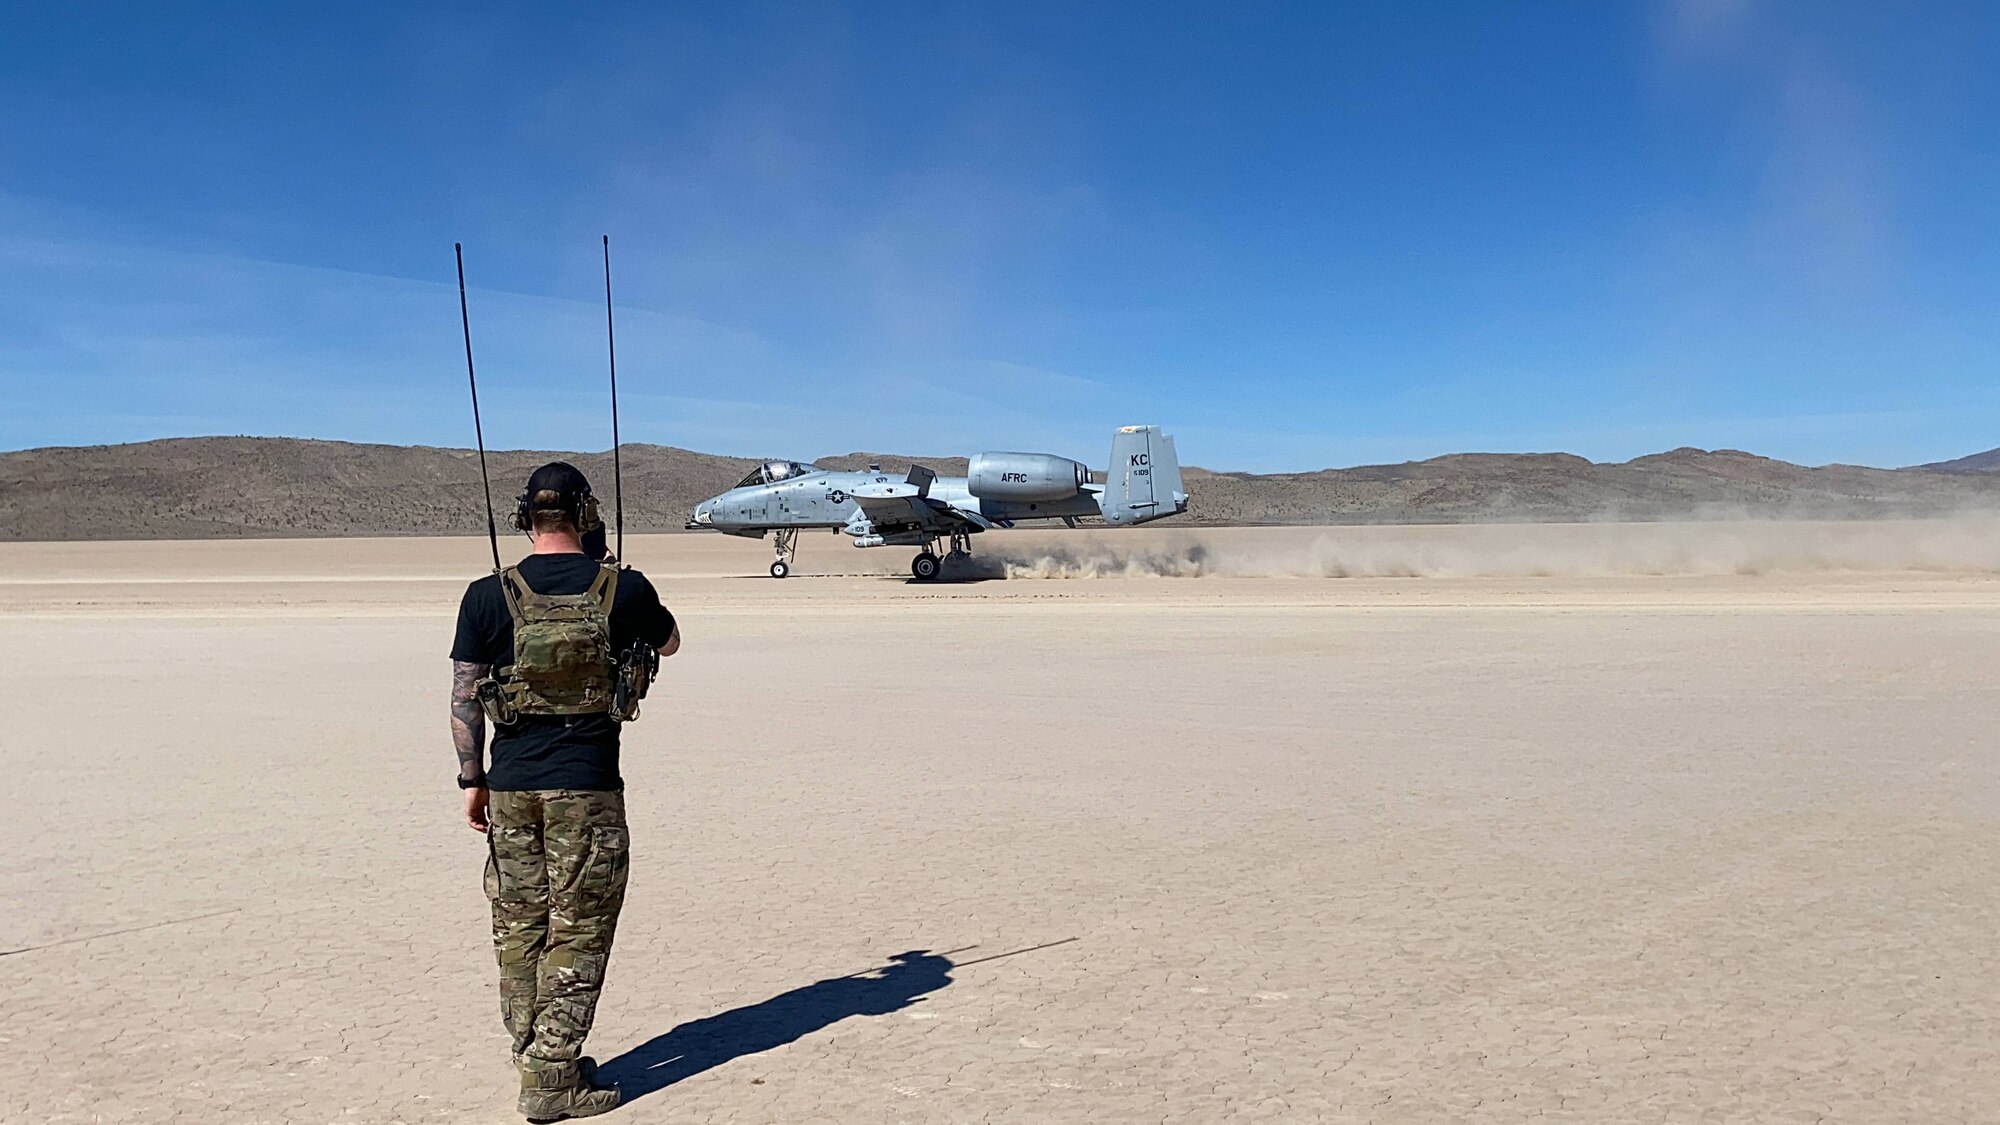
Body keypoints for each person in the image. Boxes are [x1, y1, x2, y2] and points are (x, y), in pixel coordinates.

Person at [448, 461, 681, 1121]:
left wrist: (473, 779)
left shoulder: (486, 595)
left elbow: (464, 698)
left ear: (526, 517)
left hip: (514, 788)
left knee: (519, 924)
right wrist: (612, 572)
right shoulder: (622, 589)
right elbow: (671, 640)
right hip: (586, 789)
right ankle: (551, 1076)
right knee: (580, 926)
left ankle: (537, 1052)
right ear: (585, 515)